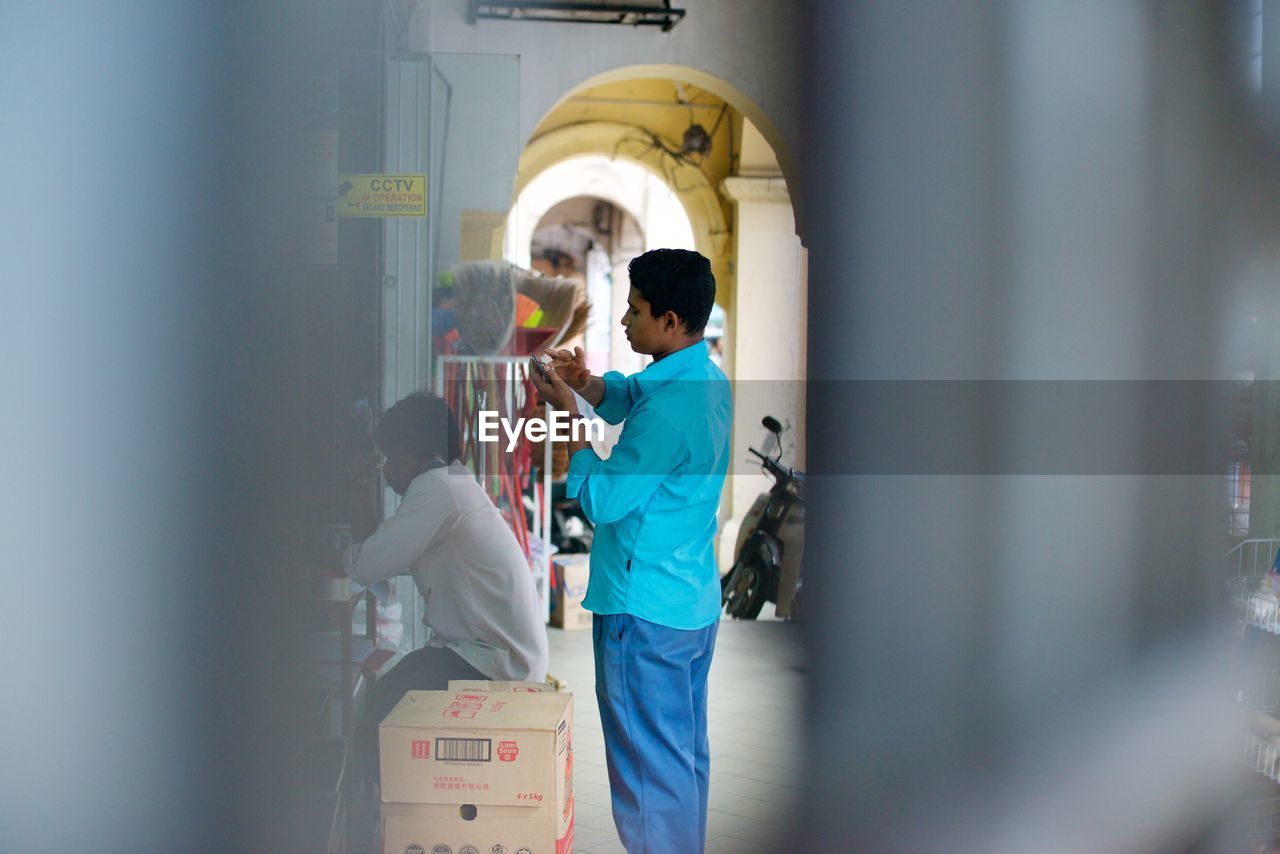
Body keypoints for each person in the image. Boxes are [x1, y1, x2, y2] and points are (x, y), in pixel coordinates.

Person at [531, 248, 732, 854]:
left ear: (670, 320)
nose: (623, 321)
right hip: (688, 605)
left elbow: (601, 501)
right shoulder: (703, 377)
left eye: (635, 310)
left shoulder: (669, 415)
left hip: (643, 613)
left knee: (648, 776)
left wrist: (569, 418)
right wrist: (587, 384)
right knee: (679, 762)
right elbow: (632, 394)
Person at [345, 392, 549, 792]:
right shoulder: (453, 481)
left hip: (493, 662)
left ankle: (391, 817)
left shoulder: (438, 489)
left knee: (384, 713)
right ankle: (393, 812)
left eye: (395, 459)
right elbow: (383, 551)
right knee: (389, 698)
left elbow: (369, 562)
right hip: (485, 652)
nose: (389, 472)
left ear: (427, 456)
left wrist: (345, 547)